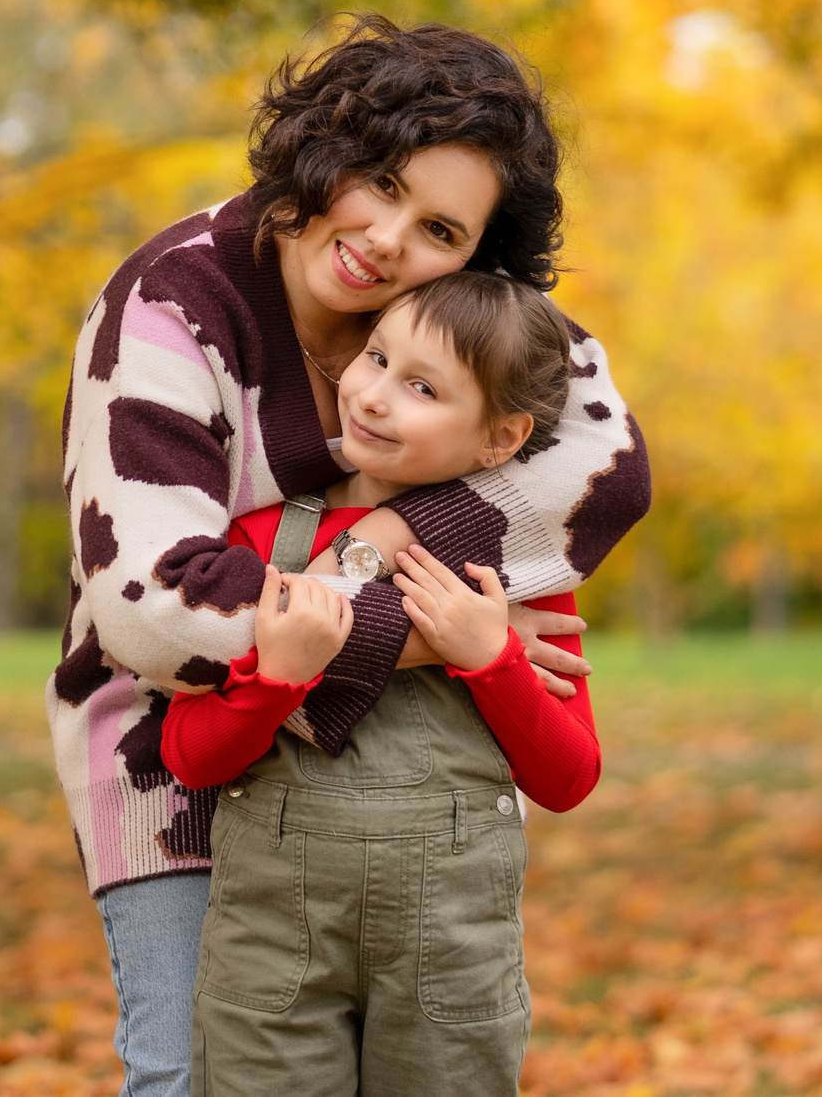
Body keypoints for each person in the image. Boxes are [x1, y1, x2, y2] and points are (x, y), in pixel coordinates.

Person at [46, 16, 649, 1097]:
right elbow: (157, 611)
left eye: (440, 229)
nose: (386, 240)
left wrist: (385, 543)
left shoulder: (457, 316)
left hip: (406, 812)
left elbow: (609, 467)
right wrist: (442, 634)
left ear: (478, 255)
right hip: (172, 747)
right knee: (192, 1076)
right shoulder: (172, 304)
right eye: (379, 180)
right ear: (326, 146)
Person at [164, 273, 595, 1096]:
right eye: (376, 356)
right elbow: (189, 755)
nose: (372, 395)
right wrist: (276, 679)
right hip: (271, 956)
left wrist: (491, 655)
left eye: (423, 388)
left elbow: (569, 776)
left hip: (452, 960)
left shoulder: (520, 577)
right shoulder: (259, 541)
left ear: (500, 437)